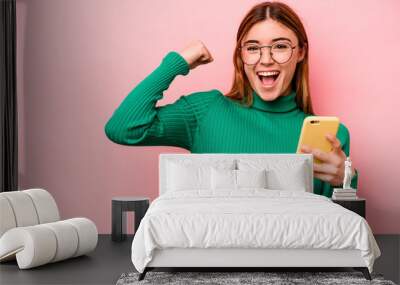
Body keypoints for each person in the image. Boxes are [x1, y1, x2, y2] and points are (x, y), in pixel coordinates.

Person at [104, 1, 358, 198]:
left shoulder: (332, 136)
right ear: (241, 55)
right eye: (253, 48)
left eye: (280, 46)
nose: (266, 59)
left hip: (293, 262)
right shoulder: (205, 111)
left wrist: (346, 181)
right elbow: (123, 128)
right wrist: (176, 63)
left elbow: (334, 230)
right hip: (211, 260)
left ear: (300, 52)